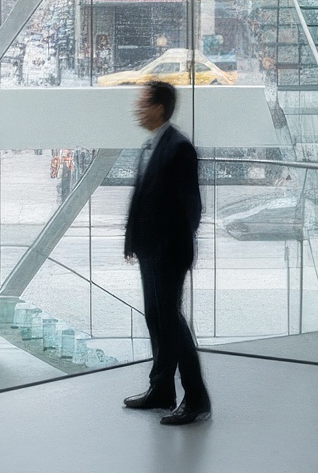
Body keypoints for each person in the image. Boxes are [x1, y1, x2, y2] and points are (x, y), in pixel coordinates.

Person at [122, 81, 210, 426]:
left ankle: (196, 398)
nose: (137, 108)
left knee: (170, 322)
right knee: (157, 320)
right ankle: (161, 389)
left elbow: (192, 209)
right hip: (149, 251)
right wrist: (133, 241)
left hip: (168, 254)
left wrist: (171, 250)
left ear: (159, 107)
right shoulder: (151, 145)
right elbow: (143, 198)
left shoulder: (179, 147)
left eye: (142, 102)